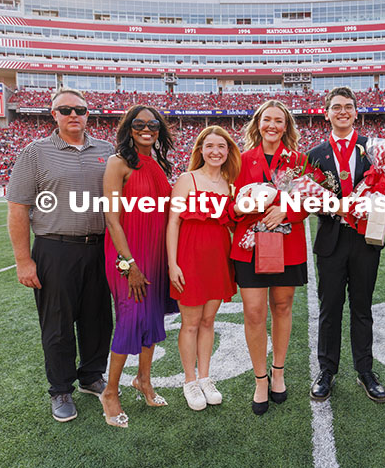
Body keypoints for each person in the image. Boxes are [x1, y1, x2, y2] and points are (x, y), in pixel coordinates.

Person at [6, 87, 114, 423]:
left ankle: (92, 376)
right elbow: (18, 208)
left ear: (87, 114)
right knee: (57, 323)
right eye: (65, 110)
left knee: (98, 318)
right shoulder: (35, 153)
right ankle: (61, 388)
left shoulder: (106, 149)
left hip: (98, 247)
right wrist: (24, 260)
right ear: (53, 115)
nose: (73, 116)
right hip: (55, 247)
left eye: (79, 110)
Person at [99, 105, 179, 428]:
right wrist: (129, 263)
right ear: (128, 128)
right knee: (130, 318)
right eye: (139, 124)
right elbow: (112, 218)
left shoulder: (159, 164)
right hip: (127, 254)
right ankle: (110, 391)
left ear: (159, 130)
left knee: (152, 318)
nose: (147, 129)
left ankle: (143, 380)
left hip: (155, 254)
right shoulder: (117, 164)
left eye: (153, 125)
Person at [306, 87, 385, 403]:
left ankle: (365, 370)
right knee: (329, 309)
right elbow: (309, 200)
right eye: (336, 107)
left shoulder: (374, 149)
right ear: (326, 113)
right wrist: (333, 206)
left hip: (366, 239)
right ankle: (327, 370)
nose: (342, 111)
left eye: (348, 107)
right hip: (331, 240)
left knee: (362, 307)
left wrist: (376, 200)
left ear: (356, 113)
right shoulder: (316, 154)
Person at [230, 100, 310, 415]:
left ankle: (278, 372)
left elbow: (309, 201)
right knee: (253, 313)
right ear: (258, 124)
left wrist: (286, 209)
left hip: (286, 245)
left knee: (282, 306)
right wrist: (243, 207)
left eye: (279, 120)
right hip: (249, 246)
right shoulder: (239, 159)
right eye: (267, 120)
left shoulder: (299, 160)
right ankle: (260, 378)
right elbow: (230, 204)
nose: (272, 125)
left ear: (287, 126)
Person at [167, 126, 240, 411]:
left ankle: (206, 377)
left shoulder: (230, 184)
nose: (215, 151)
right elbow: (173, 223)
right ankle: (189, 381)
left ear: (228, 151)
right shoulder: (187, 180)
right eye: (209, 146)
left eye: (221, 146)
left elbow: (234, 223)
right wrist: (173, 264)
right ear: (200, 150)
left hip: (219, 259)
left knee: (209, 321)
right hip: (190, 257)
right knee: (191, 323)